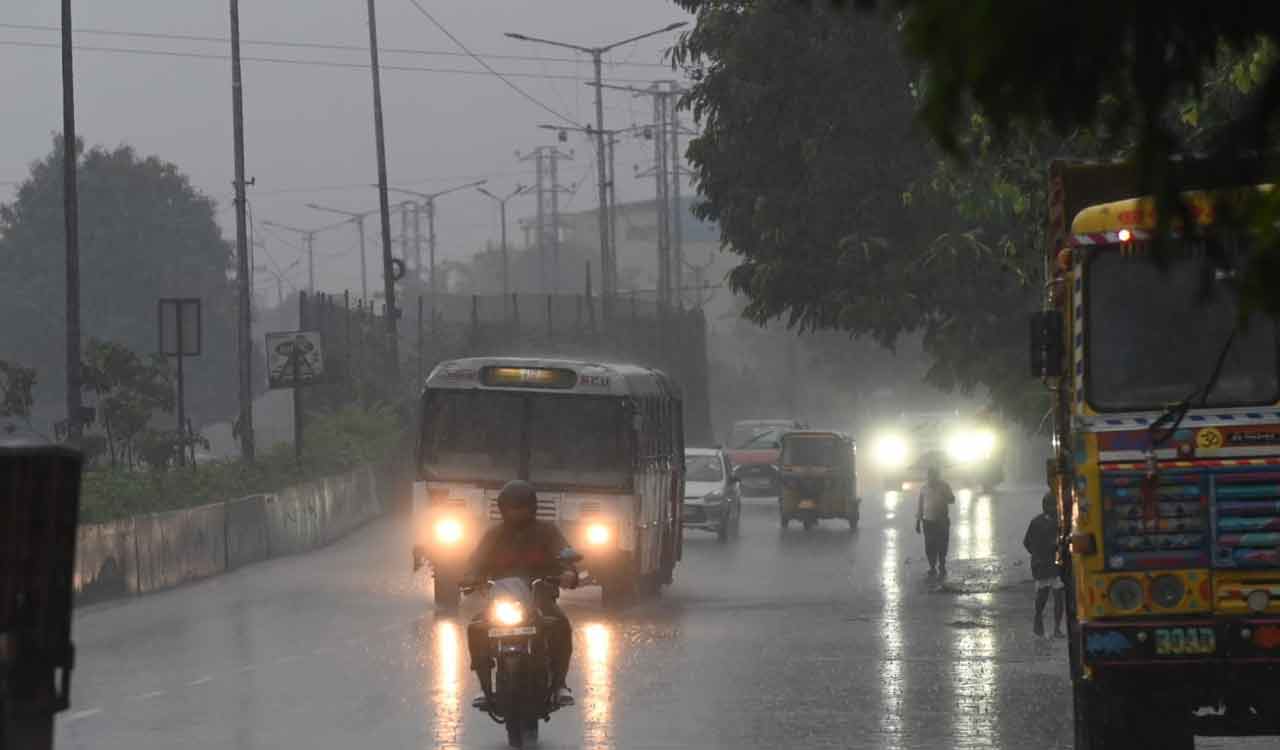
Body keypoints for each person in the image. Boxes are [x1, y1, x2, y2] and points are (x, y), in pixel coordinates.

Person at [463, 480, 578, 711]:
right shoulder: (493, 535)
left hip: (540, 598)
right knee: (475, 627)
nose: (517, 513)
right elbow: (475, 562)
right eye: (512, 507)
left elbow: (565, 554)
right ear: (503, 509)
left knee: (561, 625)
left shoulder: (548, 531)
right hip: (501, 600)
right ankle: (485, 687)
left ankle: (559, 685)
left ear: (532, 508)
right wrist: (470, 577)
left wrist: (568, 572)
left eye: (521, 507)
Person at [1024, 492, 1065, 638]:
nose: (1054, 508)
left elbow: (1027, 543)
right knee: (1048, 595)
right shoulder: (1056, 522)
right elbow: (1028, 543)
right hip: (1048, 564)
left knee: (1054, 595)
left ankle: (1052, 626)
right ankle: (1044, 622)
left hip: (1047, 565)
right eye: (1052, 505)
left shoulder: (1040, 521)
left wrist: (1036, 555)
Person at [915, 465, 955, 577]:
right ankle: (932, 567)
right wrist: (918, 522)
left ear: (938, 476)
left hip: (942, 520)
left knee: (942, 544)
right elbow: (920, 506)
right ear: (928, 476)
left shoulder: (944, 486)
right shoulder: (923, 488)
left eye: (934, 475)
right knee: (929, 545)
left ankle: (942, 564)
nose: (932, 477)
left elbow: (952, 500)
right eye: (930, 475)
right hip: (927, 522)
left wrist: (945, 497)